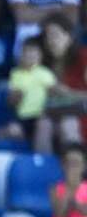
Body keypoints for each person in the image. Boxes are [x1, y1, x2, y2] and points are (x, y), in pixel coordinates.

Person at [7, 36, 80, 153]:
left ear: (40, 56)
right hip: (23, 118)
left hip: (41, 116)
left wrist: (73, 94)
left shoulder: (44, 73)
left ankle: (47, 160)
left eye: (34, 53)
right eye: (26, 53)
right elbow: (11, 101)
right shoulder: (15, 74)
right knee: (12, 130)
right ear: (20, 55)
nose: (30, 56)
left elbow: (58, 90)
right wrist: (15, 96)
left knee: (46, 124)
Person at [42, 12, 87, 140]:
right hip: (58, 113)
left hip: (81, 113)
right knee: (44, 123)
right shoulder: (45, 65)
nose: (50, 41)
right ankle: (41, 160)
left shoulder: (83, 57)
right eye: (47, 36)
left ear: (69, 37)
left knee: (68, 122)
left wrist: (69, 93)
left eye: (55, 35)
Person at [51, 142, 87, 217]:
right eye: (69, 163)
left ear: (84, 166)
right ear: (63, 165)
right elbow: (60, 215)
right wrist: (70, 188)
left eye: (76, 163)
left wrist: (75, 204)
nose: (73, 168)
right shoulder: (55, 189)